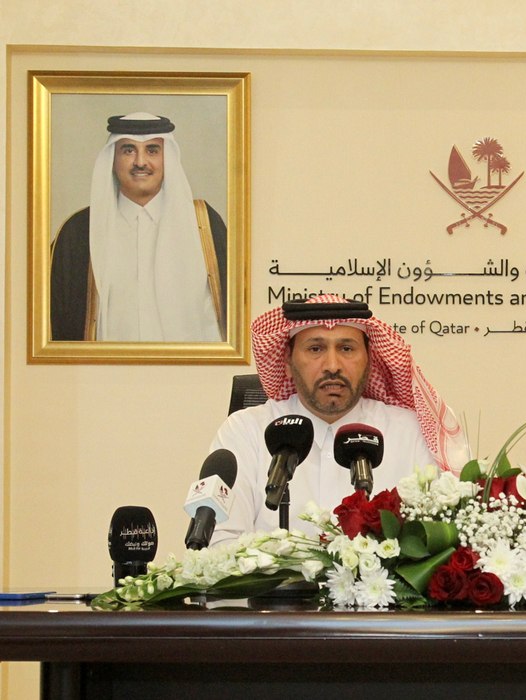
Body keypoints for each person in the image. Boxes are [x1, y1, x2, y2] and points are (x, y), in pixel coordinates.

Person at [210, 295, 468, 545]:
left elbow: (441, 540)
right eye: (315, 349)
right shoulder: (246, 431)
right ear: (287, 362)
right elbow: (220, 539)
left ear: (369, 360)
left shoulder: (412, 432)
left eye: (346, 348)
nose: (332, 365)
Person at [50, 112, 227, 342]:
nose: (140, 162)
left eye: (152, 150)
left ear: (168, 159)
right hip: (103, 374)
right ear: (112, 160)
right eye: (128, 150)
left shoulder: (204, 224)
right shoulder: (78, 231)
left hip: (190, 373)